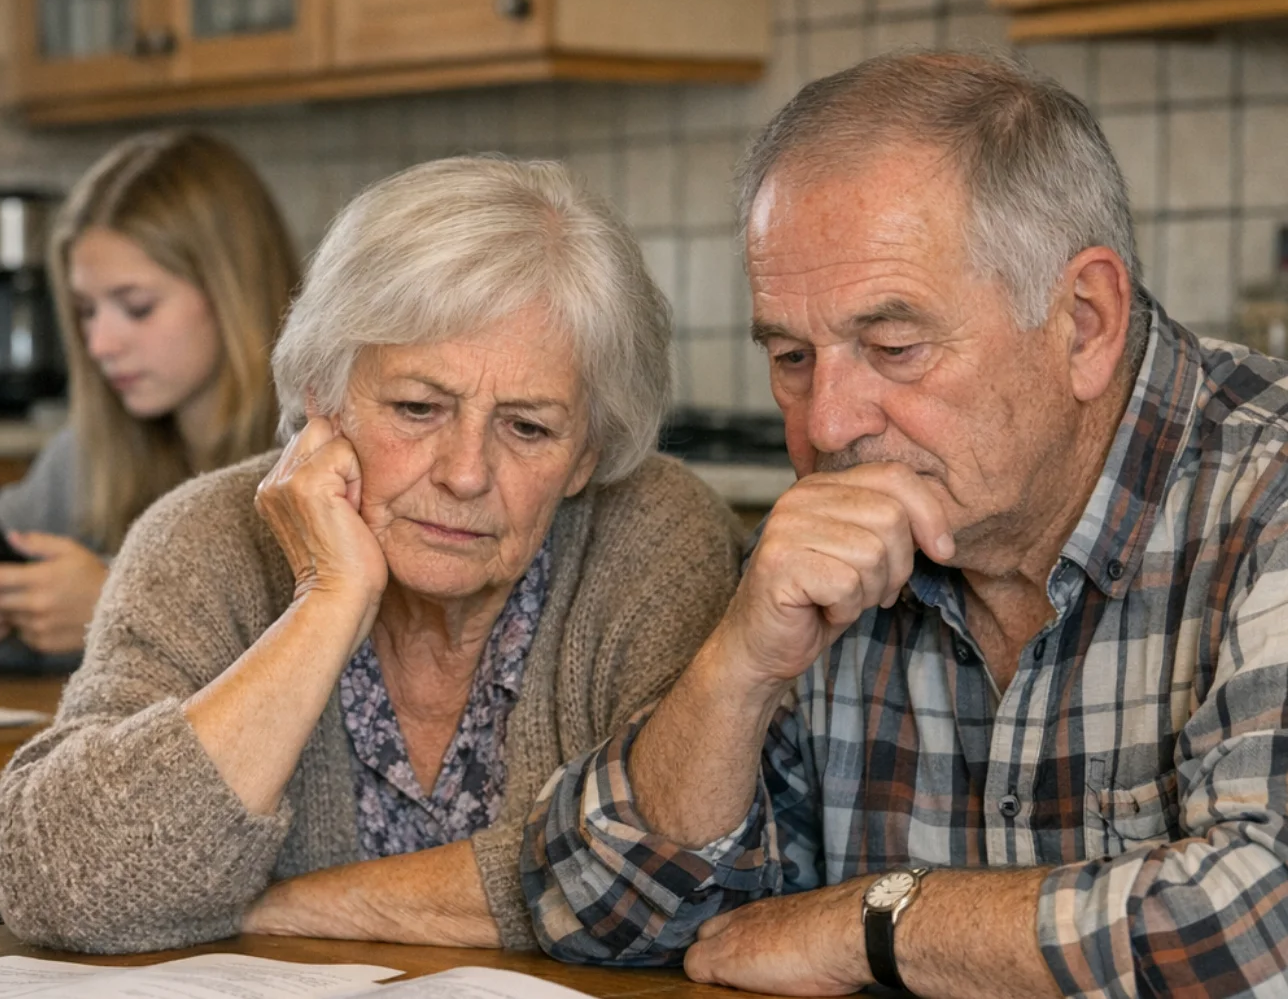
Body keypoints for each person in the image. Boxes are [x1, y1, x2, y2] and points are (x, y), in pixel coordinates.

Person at [523, 48, 1288, 998]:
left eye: (894, 346)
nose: (828, 424)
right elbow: (596, 914)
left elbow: (1264, 926)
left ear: (1084, 322)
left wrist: (873, 921)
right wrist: (739, 664)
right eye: (793, 356)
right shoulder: (838, 536)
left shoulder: (1269, 497)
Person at [0, 156, 745, 953]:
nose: (465, 472)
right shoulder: (203, 540)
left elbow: (677, 873)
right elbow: (64, 883)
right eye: (418, 408)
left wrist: (269, 904)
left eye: (528, 427)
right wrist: (328, 601)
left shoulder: (655, 536)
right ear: (324, 397)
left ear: (587, 454)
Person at [0, 130, 298, 669]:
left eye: (136, 307)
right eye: (86, 311)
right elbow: (17, 650)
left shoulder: (318, 457)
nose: (99, 344)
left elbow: (337, 675)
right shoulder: (82, 456)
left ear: (235, 290)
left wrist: (118, 606)